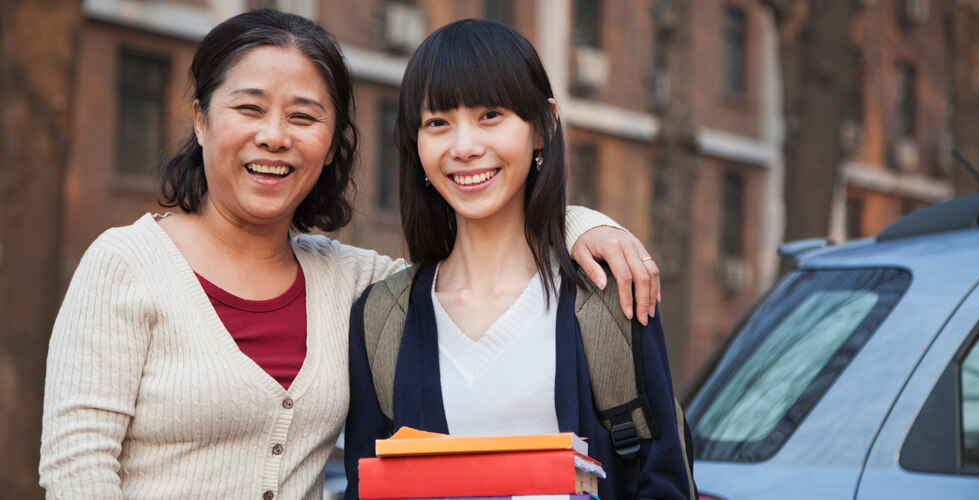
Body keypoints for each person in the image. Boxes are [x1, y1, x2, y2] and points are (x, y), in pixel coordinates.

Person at [38, 9, 662, 499]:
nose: (274, 136)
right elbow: (77, 469)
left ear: (333, 143)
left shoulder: (355, 283)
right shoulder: (125, 265)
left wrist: (578, 223)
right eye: (249, 108)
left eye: (304, 117)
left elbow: (481, 262)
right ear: (201, 119)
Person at [344, 19, 692, 500]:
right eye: (438, 123)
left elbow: (665, 481)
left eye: (490, 115)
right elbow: (369, 487)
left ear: (543, 126)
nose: (465, 147)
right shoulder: (382, 319)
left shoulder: (607, 295)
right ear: (415, 143)